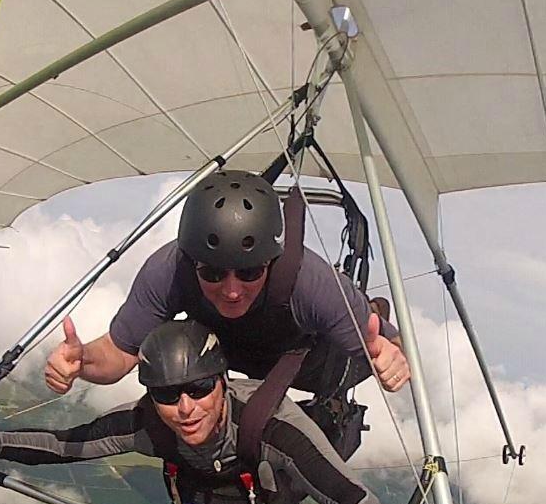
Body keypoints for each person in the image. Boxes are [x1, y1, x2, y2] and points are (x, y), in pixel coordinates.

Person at [0, 320, 386, 504]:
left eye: (199, 389)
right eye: (166, 394)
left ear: (221, 382)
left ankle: (375, 328)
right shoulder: (150, 424)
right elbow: (69, 444)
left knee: (303, 468)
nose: (185, 408)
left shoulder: (271, 425)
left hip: (282, 500)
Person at [43, 170, 409, 404]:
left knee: (352, 351)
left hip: (316, 364)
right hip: (235, 352)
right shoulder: (169, 272)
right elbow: (119, 354)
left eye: (249, 273)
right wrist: (81, 362)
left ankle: (372, 308)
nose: (232, 290)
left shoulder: (314, 285)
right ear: (192, 262)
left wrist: (390, 357)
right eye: (213, 273)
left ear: (270, 262)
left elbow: (392, 349)